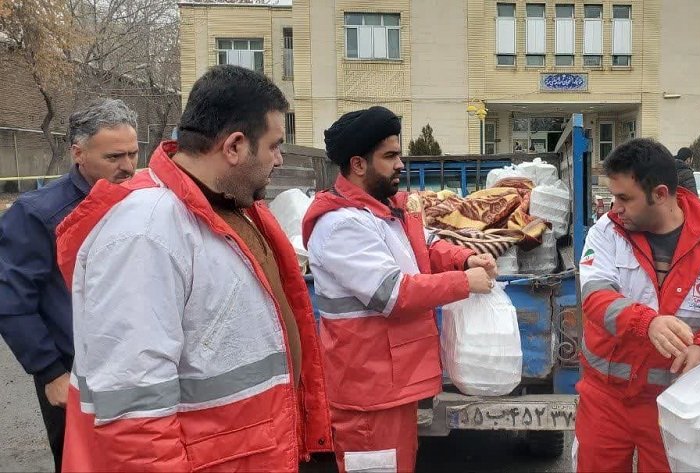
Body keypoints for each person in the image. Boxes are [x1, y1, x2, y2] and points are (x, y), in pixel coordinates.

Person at [55, 65, 332, 471]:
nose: (279, 159)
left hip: (249, 452)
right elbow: (135, 417)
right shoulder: (145, 234)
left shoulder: (236, 207)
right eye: (274, 145)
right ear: (235, 146)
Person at [303, 106, 498, 473]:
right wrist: (462, 283)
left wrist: (464, 260)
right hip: (367, 394)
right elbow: (392, 294)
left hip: (388, 384)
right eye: (390, 156)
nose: (401, 165)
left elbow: (426, 245)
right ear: (358, 164)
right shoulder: (341, 225)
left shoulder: (384, 211)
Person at [574, 138, 700, 472]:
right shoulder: (606, 232)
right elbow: (596, 296)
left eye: (624, 198)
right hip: (605, 398)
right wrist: (647, 322)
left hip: (675, 399)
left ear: (660, 193)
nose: (614, 207)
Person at [0, 98, 138, 472]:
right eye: (114, 157)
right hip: (72, 375)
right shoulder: (39, 213)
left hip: (135, 365)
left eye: (133, 154)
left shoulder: (140, 201)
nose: (127, 167)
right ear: (79, 153)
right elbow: (11, 301)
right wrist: (50, 372)